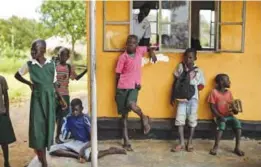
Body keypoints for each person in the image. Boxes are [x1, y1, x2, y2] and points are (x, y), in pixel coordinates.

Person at [14, 39, 67, 167]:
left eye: (35, 49)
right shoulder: (29, 64)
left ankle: (41, 154)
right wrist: (29, 84)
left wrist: (61, 98)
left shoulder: (51, 64)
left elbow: (54, 83)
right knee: (38, 129)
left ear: (43, 50)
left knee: (47, 127)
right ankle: (43, 161)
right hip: (37, 100)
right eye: (31, 49)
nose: (32, 52)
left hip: (49, 100)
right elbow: (17, 75)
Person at [50, 98, 127, 162]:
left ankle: (110, 150)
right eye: (72, 110)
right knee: (53, 150)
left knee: (90, 158)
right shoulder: (69, 118)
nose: (74, 112)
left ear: (82, 109)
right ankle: (77, 155)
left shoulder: (85, 119)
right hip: (76, 142)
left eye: (76, 110)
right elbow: (65, 134)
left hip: (86, 143)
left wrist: (83, 149)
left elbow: (93, 139)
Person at [115, 34, 157, 151]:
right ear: (126, 44)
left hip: (134, 86)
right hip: (122, 88)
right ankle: (126, 140)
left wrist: (152, 53)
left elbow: (149, 47)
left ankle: (144, 117)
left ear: (136, 45)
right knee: (124, 117)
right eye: (129, 43)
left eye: (133, 43)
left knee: (131, 104)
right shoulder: (123, 57)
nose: (131, 45)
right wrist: (116, 92)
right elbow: (118, 75)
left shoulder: (139, 51)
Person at [171, 48, 205, 152]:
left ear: (195, 58)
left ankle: (189, 142)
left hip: (193, 99)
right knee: (179, 120)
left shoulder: (198, 71)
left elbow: (201, 85)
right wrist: (173, 95)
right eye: (186, 57)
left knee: (192, 120)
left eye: (190, 57)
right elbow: (175, 82)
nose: (188, 59)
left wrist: (192, 87)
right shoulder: (180, 67)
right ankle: (181, 143)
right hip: (181, 99)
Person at [55, 47, 87, 144]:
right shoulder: (54, 66)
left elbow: (76, 78)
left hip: (64, 94)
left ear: (68, 56)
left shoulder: (69, 68)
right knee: (53, 116)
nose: (62, 57)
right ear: (58, 56)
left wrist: (86, 70)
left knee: (61, 117)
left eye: (65, 55)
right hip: (54, 94)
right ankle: (52, 136)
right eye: (61, 55)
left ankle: (57, 137)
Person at [208, 74, 244, 156]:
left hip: (229, 115)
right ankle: (216, 147)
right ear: (221, 82)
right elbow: (212, 107)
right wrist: (220, 116)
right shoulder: (214, 92)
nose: (229, 82)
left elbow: (232, 106)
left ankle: (237, 148)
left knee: (237, 124)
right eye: (227, 80)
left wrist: (235, 110)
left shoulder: (229, 93)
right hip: (218, 116)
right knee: (222, 125)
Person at [0, 75, 16, 167]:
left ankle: (6, 161)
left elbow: (6, 96)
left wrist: (7, 112)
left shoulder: (1, 79)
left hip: (1, 113)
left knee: (4, 141)